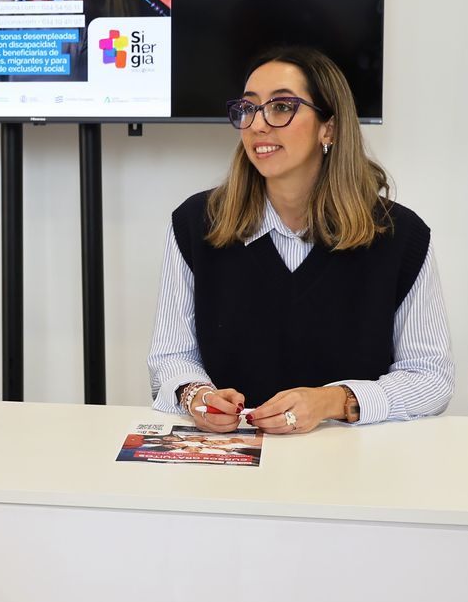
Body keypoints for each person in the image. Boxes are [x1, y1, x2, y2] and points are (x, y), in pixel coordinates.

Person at [147, 46, 452, 434]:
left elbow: (431, 378)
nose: (257, 125)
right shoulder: (196, 223)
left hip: (352, 457)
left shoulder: (400, 235)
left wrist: (334, 401)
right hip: (232, 455)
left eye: (281, 107)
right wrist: (197, 396)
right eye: (248, 108)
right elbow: (170, 357)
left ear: (329, 127)